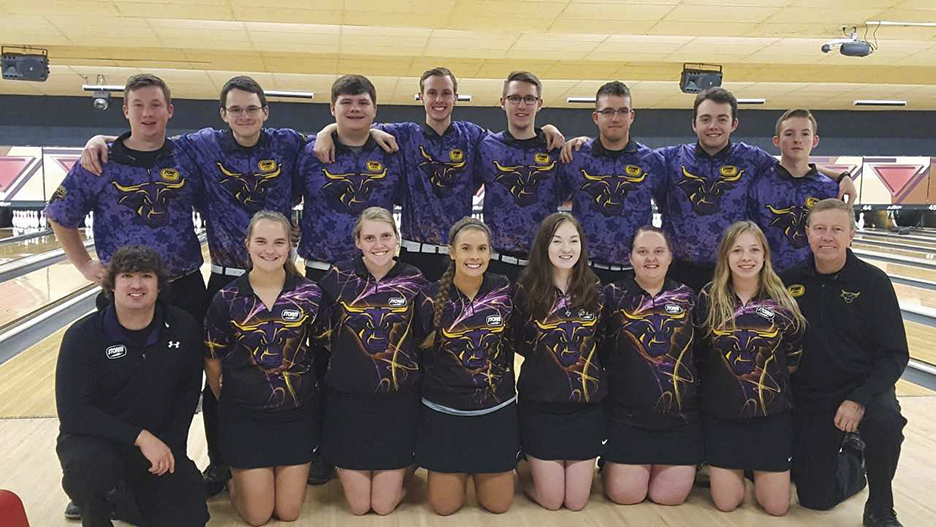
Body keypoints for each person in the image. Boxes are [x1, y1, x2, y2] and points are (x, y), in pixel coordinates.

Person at [76, 75, 311, 494]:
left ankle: (294, 452)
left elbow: (336, 136)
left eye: (251, 108)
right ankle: (212, 462)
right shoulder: (197, 146)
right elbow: (141, 139)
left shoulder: (289, 142)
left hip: (278, 278)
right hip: (223, 278)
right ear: (223, 115)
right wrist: (102, 140)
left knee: (283, 367)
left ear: (265, 112)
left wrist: (334, 128)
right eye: (235, 109)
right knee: (211, 375)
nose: (244, 115)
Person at [312, 68, 564, 281]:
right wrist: (327, 130)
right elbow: (357, 126)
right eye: (432, 93)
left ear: (455, 97)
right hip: (414, 253)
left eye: (446, 93)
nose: (439, 99)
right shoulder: (405, 135)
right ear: (421, 97)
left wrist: (548, 129)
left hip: (459, 255)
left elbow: (513, 139)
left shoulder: (473, 137)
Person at [55, 245, 209, 527]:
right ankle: (95, 511)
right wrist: (140, 437)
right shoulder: (82, 337)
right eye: (127, 276)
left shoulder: (182, 327)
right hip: (95, 441)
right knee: (89, 470)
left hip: (156, 439)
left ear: (159, 286)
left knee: (190, 515)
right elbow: (75, 414)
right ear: (111, 285)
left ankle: (124, 499)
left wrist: (171, 447)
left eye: (146, 276)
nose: (136, 285)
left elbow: (187, 394)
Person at [781, 198, 908, 527]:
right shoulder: (788, 281)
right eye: (820, 229)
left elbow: (895, 354)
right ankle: (854, 455)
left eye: (836, 229)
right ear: (807, 234)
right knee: (815, 498)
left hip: (863, 389)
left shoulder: (873, 283)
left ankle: (881, 506)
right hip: (813, 395)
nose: (827, 237)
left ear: (852, 234)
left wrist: (860, 399)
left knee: (886, 421)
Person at [656, 88, 856, 291]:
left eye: (722, 119)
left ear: (733, 124)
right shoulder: (672, 158)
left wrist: (841, 176)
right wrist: (841, 175)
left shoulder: (751, 158)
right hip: (678, 270)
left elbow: (794, 164)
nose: (713, 126)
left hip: (733, 272)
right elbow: (635, 160)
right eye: (706, 118)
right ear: (694, 124)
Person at [45, 73, 206, 320]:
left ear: (169, 110)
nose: (147, 113)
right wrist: (85, 265)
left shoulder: (188, 154)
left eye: (155, 105)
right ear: (126, 111)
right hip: (125, 291)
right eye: (138, 105)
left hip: (184, 288)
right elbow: (59, 213)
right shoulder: (100, 161)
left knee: (189, 359)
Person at [203, 211, 325, 526]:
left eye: (278, 242)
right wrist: (231, 398)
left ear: (289, 248)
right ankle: (235, 482)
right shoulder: (226, 298)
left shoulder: (309, 294)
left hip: (295, 415)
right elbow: (213, 360)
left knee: (288, 512)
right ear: (247, 244)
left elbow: (325, 345)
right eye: (261, 241)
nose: (269, 250)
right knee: (257, 517)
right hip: (245, 418)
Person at [316, 207, 428, 515]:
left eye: (385, 236)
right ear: (357, 242)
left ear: (396, 239)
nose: (378, 244)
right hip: (348, 400)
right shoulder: (337, 277)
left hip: (397, 401)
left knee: (381, 506)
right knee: (358, 505)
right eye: (369, 237)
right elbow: (323, 334)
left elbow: (423, 334)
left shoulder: (414, 279)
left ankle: (407, 467)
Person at [694, 221, 805, 516]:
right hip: (723, 414)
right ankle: (740, 472)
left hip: (771, 416)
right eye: (738, 250)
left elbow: (793, 355)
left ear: (765, 255)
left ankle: (852, 459)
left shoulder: (782, 302)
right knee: (727, 503)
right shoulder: (709, 299)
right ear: (725, 257)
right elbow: (701, 354)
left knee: (776, 507)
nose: (746, 258)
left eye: (754, 250)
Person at [414, 217, 518, 515]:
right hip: (445, 413)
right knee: (444, 508)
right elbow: (419, 352)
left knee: (498, 505)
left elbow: (515, 340)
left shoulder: (504, 290)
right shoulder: (428, 297)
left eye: (482, 248)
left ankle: (497, 468)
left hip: (495, 412)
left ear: (490, 252)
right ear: (452, 252)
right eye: (467, 248)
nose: (474, 256)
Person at [601, 226, 701, 506]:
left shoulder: (688, 297)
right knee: (626, 496)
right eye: (642, 252)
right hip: (627, 417)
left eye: (658, 251)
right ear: (630, 257)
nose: (651, 258)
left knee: (669, 498)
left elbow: (701, 354)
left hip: (679, 418)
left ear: (671, 256)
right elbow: (600, 350)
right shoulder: (611, 296)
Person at [514, 212, 606, 511]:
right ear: (544, 246)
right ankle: (522, 467)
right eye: (557, 241)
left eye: (573, 240)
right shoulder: (525, 291)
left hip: (585, 408)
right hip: (541, 405)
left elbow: (602, 344)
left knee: (577, 502)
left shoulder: (596, 291)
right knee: (552, 501)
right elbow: (520, 343)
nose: (566, 248)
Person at [297, 74, 404, 281]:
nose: (355, 108)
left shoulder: (391, 152)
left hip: (376, 269)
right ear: (332, 108)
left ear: (375, 109)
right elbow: (289, 195)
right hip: (321, 271)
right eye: (346, 102)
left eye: (363, 102)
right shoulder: (308, 153)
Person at [557, 82, 664, 284]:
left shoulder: (652, 162)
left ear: (632, 116)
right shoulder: (575, 158)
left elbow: (669, 209)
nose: (615, 118)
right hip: (585, 272)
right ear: (596, 117)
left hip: (637, 273)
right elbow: (557, 199)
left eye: (622, 111)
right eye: (607, 111)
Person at [478, 71, 565, 282]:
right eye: (515, 98)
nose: (522, 105)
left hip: (542, 264)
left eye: (529, 99)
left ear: (539, 103)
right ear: (502, 102)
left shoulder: (555, 149)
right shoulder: (486, 146)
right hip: (496, 264)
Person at [748, 109, 840, 273]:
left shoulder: (830, 189)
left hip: (818, 281)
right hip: (770, 281)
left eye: (805, 134)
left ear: (815, 140)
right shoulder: (759, 185)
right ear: (776, 141)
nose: (797, 140)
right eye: (789, 134)